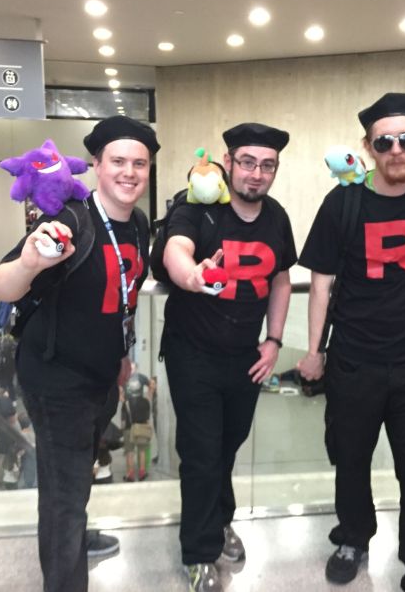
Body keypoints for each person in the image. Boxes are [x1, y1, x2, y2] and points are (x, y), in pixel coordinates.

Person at [297, 93, 405, 590]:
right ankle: (354, 537)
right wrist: (314, 352)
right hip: (353, 360)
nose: (396, 150)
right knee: (351, 459)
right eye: (384, 142)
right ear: (367, 147)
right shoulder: (343, 202)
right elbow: (321, 283)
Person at [0, 115, 156, 592]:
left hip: (102, 377)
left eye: (139, 164)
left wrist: (122, 355)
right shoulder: (70, 219)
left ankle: (75, 541)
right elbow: (1, 285)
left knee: (78, 479)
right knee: (64, 498)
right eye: (118, 161)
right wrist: (29, 262)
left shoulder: (138, 225)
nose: (129, 172)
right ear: (96, 166)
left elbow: (123, 296)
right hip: (56, 378)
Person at [161, 122, 296, 592]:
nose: (256, 174)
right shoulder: (196, 207)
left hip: (245, 356)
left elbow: (281, 280)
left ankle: (219, 522)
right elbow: (176, 249)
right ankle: (198, 551)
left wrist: (273, 340)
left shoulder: (276, 217)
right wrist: (193, 276)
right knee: (201, 453)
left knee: (226, 447)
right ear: (228, 161)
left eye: (267, 165)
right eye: (247, 162)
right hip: (192, 353)